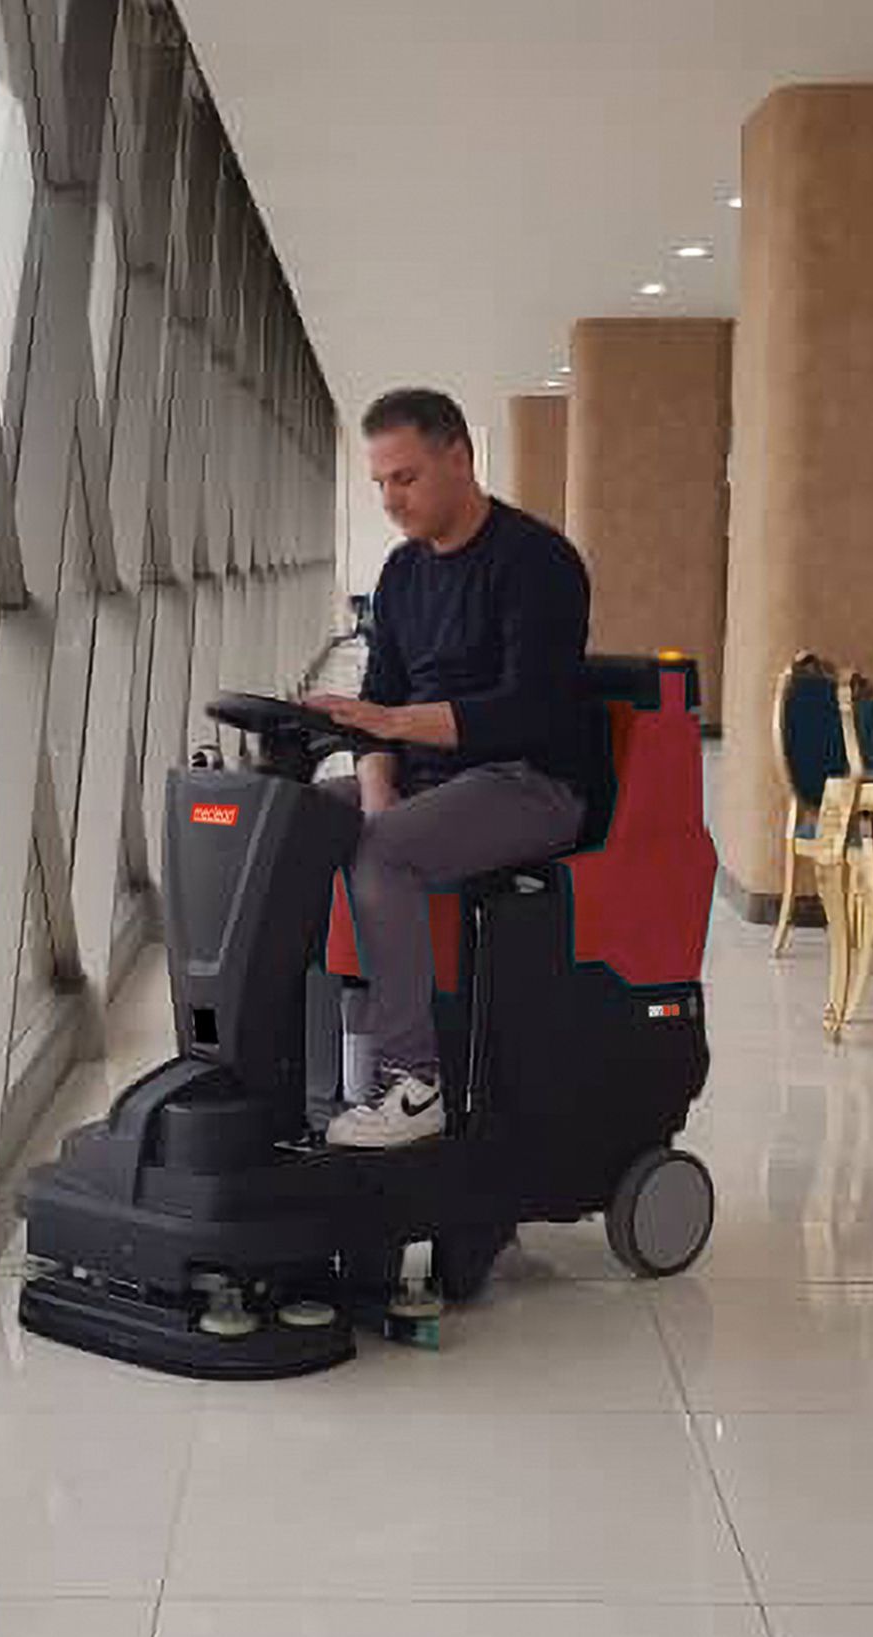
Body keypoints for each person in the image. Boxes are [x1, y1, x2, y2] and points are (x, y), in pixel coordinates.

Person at [305, 387, 597, 1149]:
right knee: (294, 826)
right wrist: (377, 789)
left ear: (459, 458)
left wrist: (395, 733)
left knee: (387, 851)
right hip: (432, 784)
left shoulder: (538, 562)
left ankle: (414, 1083)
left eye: (405, 478)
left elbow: (528, 710)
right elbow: (379, 703)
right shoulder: (401, 575)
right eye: (379, 483)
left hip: (531, 782)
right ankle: (307, 1065)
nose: (390, 499)